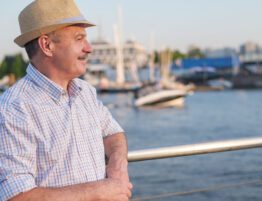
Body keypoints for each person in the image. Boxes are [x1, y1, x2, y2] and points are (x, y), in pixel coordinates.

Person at [0, 0, 132, 200]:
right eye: (79, 38)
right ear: (47, 45)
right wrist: (101, 191)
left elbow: (113, 133)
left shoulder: (85, 91)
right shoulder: (14, 108)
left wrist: (117, 169)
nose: (89, 48)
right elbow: (17, 196)